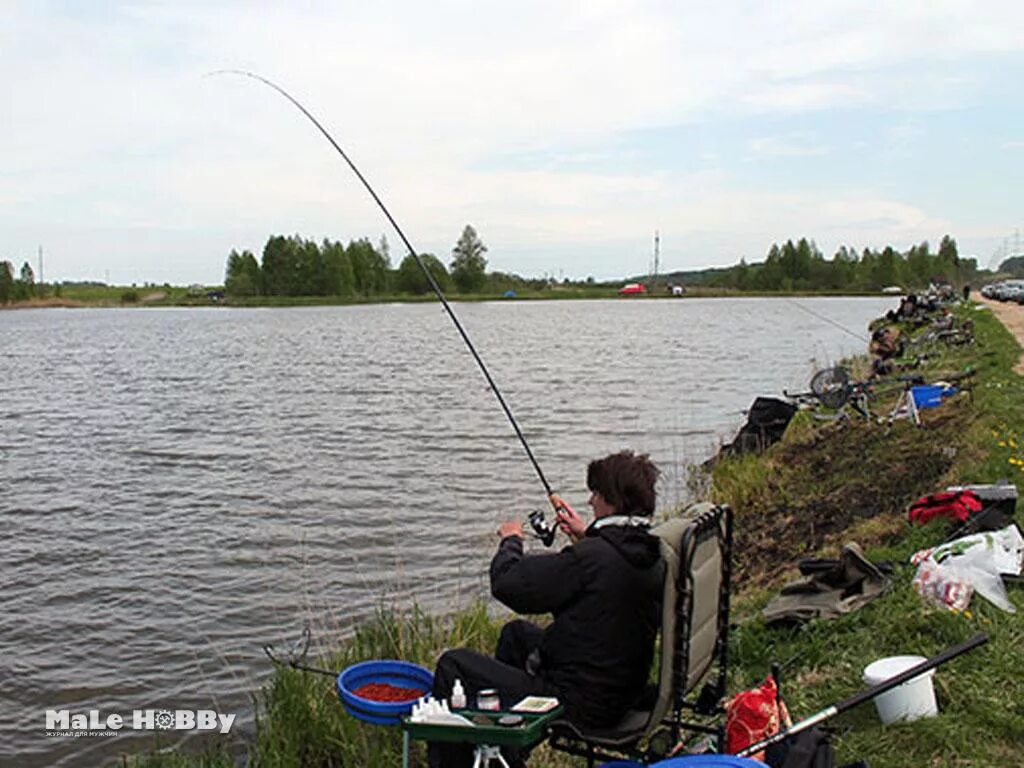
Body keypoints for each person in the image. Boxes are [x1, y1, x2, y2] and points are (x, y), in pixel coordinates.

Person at [428, 450, 664, 768]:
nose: (591, 500)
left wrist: (511, 541)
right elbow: (606, 573)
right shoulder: (647, 551)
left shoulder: (592, 559)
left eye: (596, 493)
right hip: (619, 689)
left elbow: (509, 583)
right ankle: (505, 755)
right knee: (515, 635)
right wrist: (588, 534)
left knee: (452, 665)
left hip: (578, 703)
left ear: (611, 500)